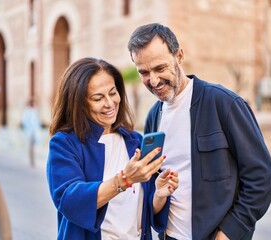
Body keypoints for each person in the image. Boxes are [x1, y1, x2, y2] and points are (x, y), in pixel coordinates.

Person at [127, 23, 271, 240]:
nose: (154, 80)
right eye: (144, 72)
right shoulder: (153, 116)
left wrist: (229, 232)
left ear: (179, 56)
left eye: (160, 68)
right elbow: (152, 186)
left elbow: (262, 176)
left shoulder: (224, 103)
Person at [46, 57, 179, 240]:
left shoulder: (134, 141)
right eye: (98, 98)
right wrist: (125, 179)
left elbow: (144, 211)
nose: (109, 103)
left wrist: (159, 195)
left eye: (112, 92)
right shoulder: (65, 143)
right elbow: (69, 200)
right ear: (79, 103)